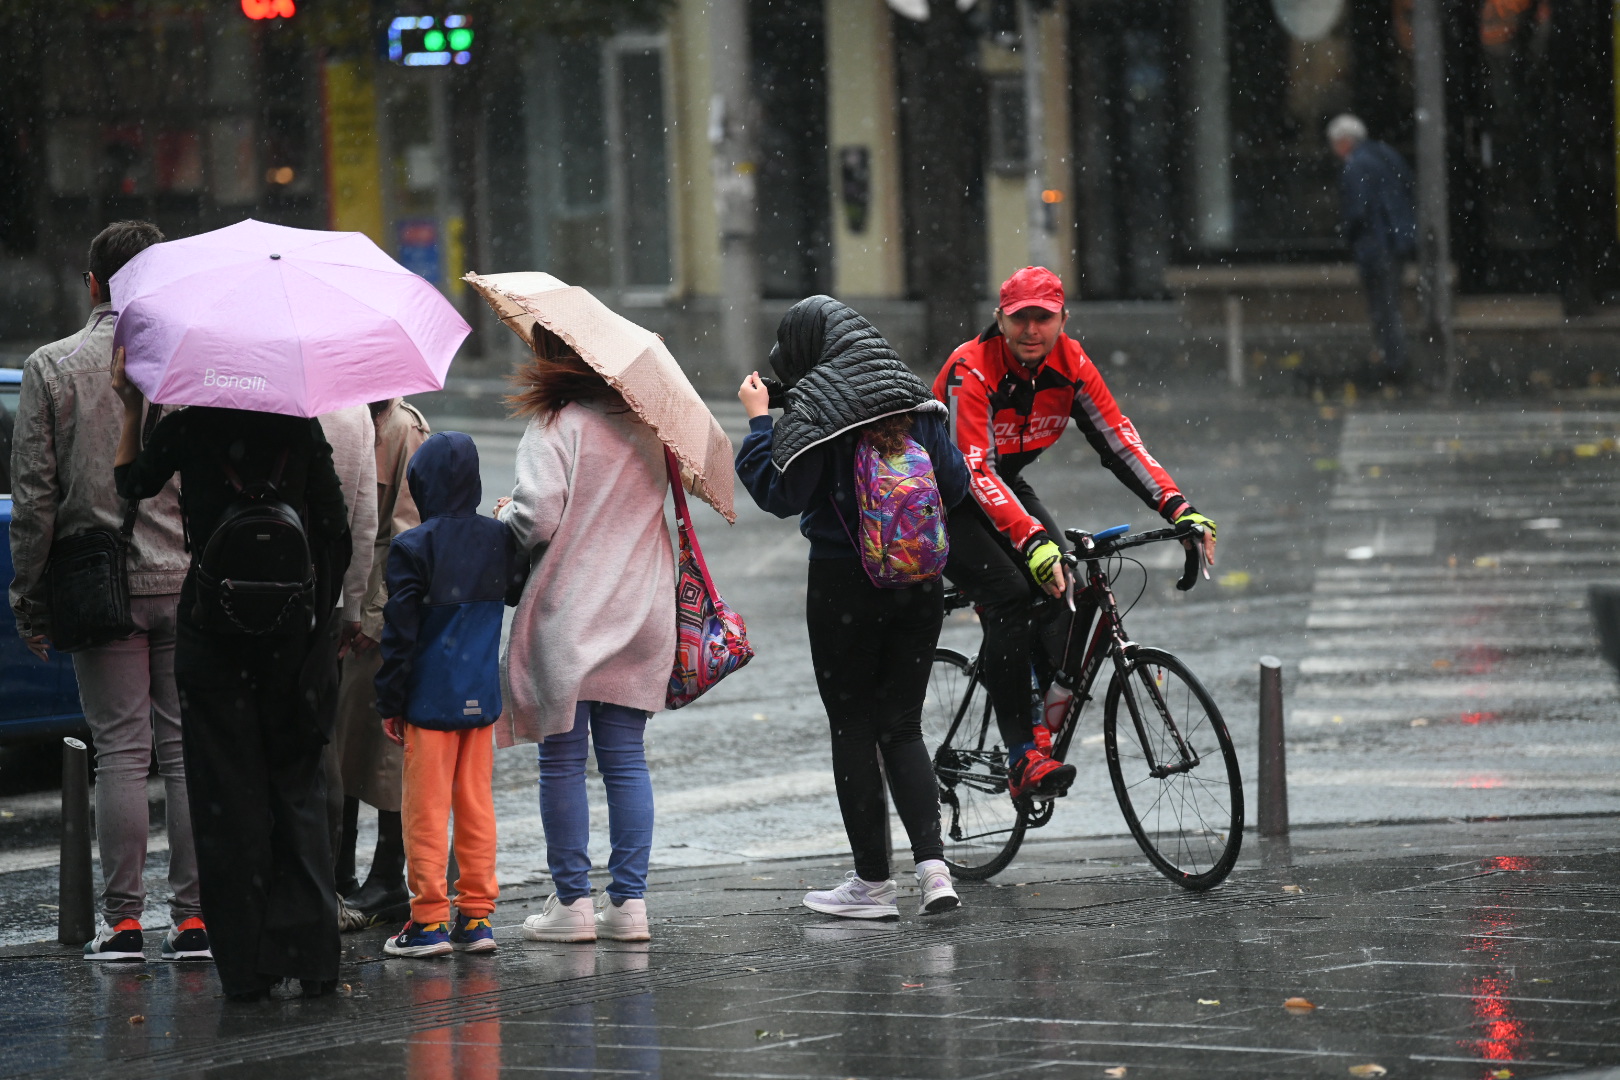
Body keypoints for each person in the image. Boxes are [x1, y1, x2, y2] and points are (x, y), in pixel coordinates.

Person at [111, 350, 352, 1002]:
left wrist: (133, 404)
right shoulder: (299, 425)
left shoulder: (190, 425)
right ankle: (312, 954)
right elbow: (336, 532)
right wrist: (310, 616)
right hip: (290, 642)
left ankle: (247, 965)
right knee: (295, 790)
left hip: (212, 635)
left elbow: (130, 484)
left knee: (228, 798)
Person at [932, 266, 1216, 805]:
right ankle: (1023, 755)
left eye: (1043, 318)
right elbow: (973, 471)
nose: (1031, 330)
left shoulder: (1072, 363)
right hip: (943, 497)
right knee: (1011, 595)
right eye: (1020, 319)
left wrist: (1179, 507)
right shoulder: (973, 368)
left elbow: (1120, 441)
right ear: (1000, 320)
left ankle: (1038, 707)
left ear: (1063, 319)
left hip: (1004, 483)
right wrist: (1030, 540)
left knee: (1059, 586)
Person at [8, 220, 206, 962]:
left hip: (100, 587)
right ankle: (193, 920)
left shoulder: (53, 367)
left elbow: (33, 498)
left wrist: (31, 598)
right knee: (183, 752)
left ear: (93, 285)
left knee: (119, 753)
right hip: (183, 580)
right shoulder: (188, 360)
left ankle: (124, 924)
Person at [736, 295, 971, 920]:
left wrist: (761, 421)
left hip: (846, 584)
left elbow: (779, 492)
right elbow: (956, 483)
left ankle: (871, 885)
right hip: (919, 582)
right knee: (904, 725)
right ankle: (935, 871)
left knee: (853, 727)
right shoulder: (916, 399)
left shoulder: (817, 413)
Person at [493, 332, 675, 945]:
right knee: (626, 760)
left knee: (563, 760)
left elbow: (538, 516)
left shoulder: (558, 424)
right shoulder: (654, 425)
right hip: (642, 611)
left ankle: (571, 902)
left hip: (572, 613)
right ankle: (630, 904)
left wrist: (503, 518)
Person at [373, 432, 525, 958]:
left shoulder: (414, 546)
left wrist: (390, 701)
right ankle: (477, 918)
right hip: (480, 699)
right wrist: (506, 525)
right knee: (476, 805)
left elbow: (399, 634)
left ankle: (430, 922)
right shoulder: (496, 539)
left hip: (429, 701)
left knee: (425, 811)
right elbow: (515, 589)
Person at [331, 398, 430, 927]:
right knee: (343, 743)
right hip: (341, 607)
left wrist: (374, 614)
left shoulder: (400, 427)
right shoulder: (345, 413)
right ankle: (339, 868)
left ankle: (389, 876)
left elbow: (406, 533)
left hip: (376, 616)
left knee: (383, 749)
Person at [317, 404, 377, 926]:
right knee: (321, 749)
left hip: (235, 601)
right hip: (321, 605)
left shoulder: (239, 386)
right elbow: (363, 522)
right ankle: (325, 888)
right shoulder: (354, 413)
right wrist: (351, 608)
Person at [1328, 113, 1416, 388]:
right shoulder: (1385, 155)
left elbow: (1357, 209)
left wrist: (1348, 236)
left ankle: (1394, 363)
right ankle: (1394, 359)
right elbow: (1407, 187)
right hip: (1396, 241)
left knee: (1383, 308)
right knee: (1390, 304)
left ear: (1344, 142)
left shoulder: (1356, 165)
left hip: (1376, 245)